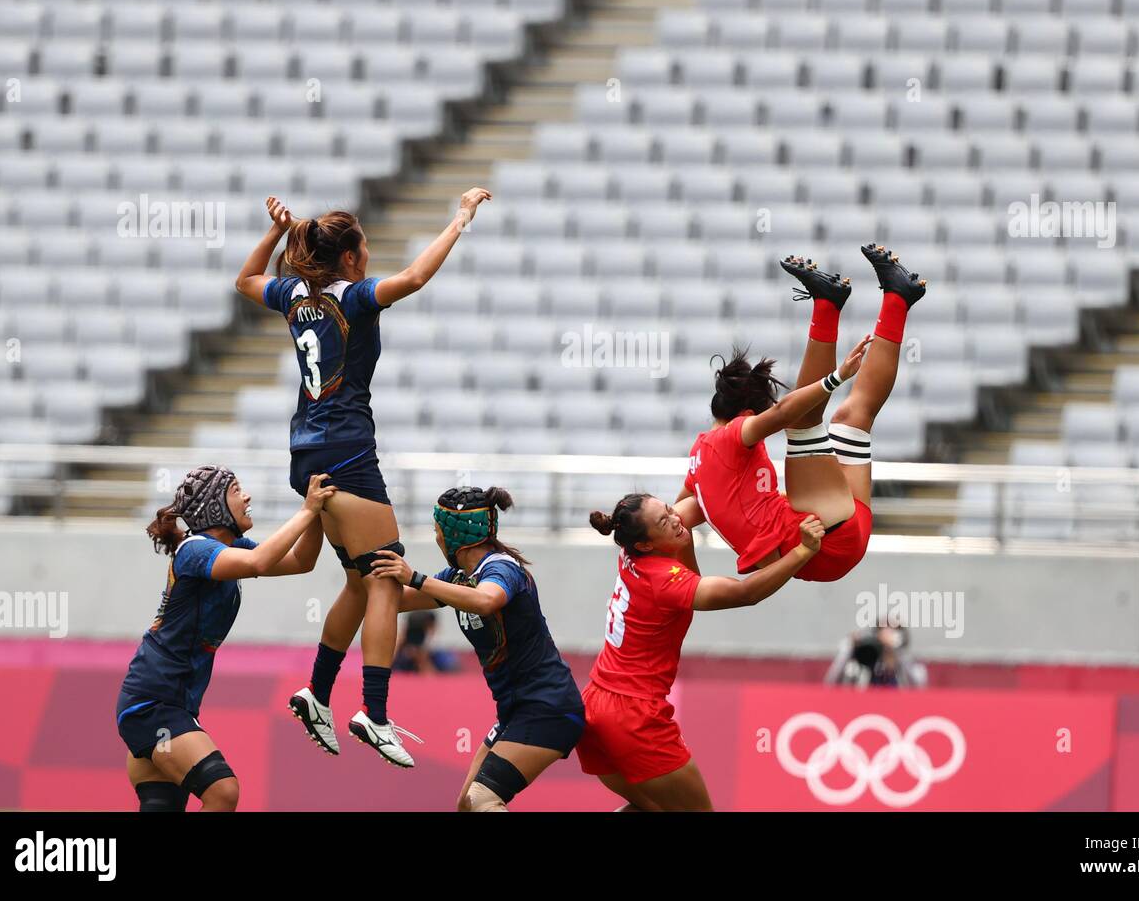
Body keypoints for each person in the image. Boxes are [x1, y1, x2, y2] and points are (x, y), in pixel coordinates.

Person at [233, 188, 490, 768]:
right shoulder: (355, 296)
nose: (370, 254)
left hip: (303, 451)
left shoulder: (294, 293)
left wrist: (275, 234)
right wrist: (461, 218)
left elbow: (245, 280)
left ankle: (318, 693)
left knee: (356, 582)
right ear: (349, 257)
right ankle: (374, 713)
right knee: (382, 581)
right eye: (365, 246)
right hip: (349, 452)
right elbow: (417, 277)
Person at [678, 244, 926, 585]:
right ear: (746, 413)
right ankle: (827, 305)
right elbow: (783, 413)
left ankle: (897, 298)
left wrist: (638, 535)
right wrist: (835, 378)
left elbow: (677, 517)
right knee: (801, 421)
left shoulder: (697, 461)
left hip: (837, 537)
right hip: (823, 536)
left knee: (853, 417)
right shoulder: (731, 435)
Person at [579, 494, 825, 811]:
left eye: (668, 510)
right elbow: (745, 593)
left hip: (596, 707)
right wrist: (802, 551)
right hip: (633, 715)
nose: (675, 520)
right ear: (645, 545)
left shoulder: (631, 548)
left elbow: (699, 502)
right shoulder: (666, 582)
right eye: (664, 522)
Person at [116, 467, 335, 811]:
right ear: (214, 505)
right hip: (155, 704)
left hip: (166, 706)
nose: (246, 497)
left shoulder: (228, 546)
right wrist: (307, 510)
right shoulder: (195, 550)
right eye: (236, 490)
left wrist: (320, 513)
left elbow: (301, 561)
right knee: (223, 791)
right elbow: (260, 562)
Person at [368, 487, 584, 812]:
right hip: (514, 711)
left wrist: (414, 576)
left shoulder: (502, 568)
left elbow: (486, 600)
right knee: (467, 805)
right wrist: (359, 568)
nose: (436, 539)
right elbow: (396, 601)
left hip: (548, 707)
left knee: (482, 800)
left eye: (437, 532)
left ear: (455, 535)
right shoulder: (458, 576)